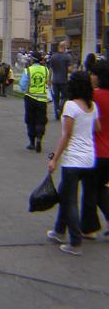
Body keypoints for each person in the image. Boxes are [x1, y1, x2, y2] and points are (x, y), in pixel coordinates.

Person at [47, 71, 100, 255]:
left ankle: (75, 241)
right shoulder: (92, 107)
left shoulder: (70, 106)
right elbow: (97, 128)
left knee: (69, 201)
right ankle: (59, 230)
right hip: (89, 159)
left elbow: (66, 135)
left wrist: (54, 158)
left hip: (73, 160)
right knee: (64, 193)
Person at [80, 60, 109, 237]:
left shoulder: (93, 97)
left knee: (90, 190)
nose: (91, 77)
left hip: (94, 151)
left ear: (98, 77)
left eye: (92, 74)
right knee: (100, 188)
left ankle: (89, 228)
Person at [20, 51, 51, 153]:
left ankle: (32, 142)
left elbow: (23, 85)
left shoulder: (28, 70)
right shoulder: (46, 70)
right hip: (42, 98)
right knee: (41, 120)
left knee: (30, 120)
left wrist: (25, 90)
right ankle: (39, 138)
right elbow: (48, 83)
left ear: (32, 60)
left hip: (30, 97)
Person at [49, 41, 73, 120]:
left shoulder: (53, 56)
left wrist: (49, 80)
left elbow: (50, 69)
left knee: (56, 97)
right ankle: (60, 107)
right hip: (64, 80)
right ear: (64, 47)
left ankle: (56, 112)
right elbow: (69, 70)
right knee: (64, 97)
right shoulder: (67, 57)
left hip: (55, 80)